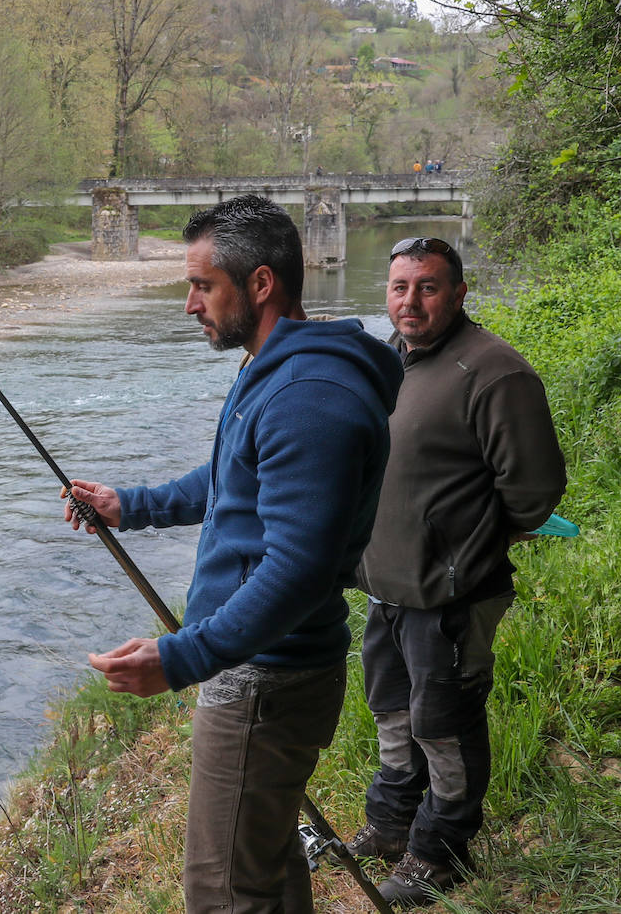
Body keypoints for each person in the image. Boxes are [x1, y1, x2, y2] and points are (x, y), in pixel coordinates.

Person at [63, 195, 403, 914]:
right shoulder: (277, 369)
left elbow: (299, 570)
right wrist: (134, 504)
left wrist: (180, 658)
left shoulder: (310, 394)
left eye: (202, 285)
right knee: (267, 868)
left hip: (264, 683)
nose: (189, 305)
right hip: (264, 673)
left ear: (259, 284)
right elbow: (234, 479)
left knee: (223, 895)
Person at [348, 237, 567, 906]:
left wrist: (463, 545)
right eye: (399, 286)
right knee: (390, 709)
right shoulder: (387, 360)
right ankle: (390, 822)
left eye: (428, 286)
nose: (410, 300)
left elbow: (534, 491)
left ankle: (440, 853)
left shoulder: (495, 373)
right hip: (386, 583)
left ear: (460, 293)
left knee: (443, 724)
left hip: (451, 591)